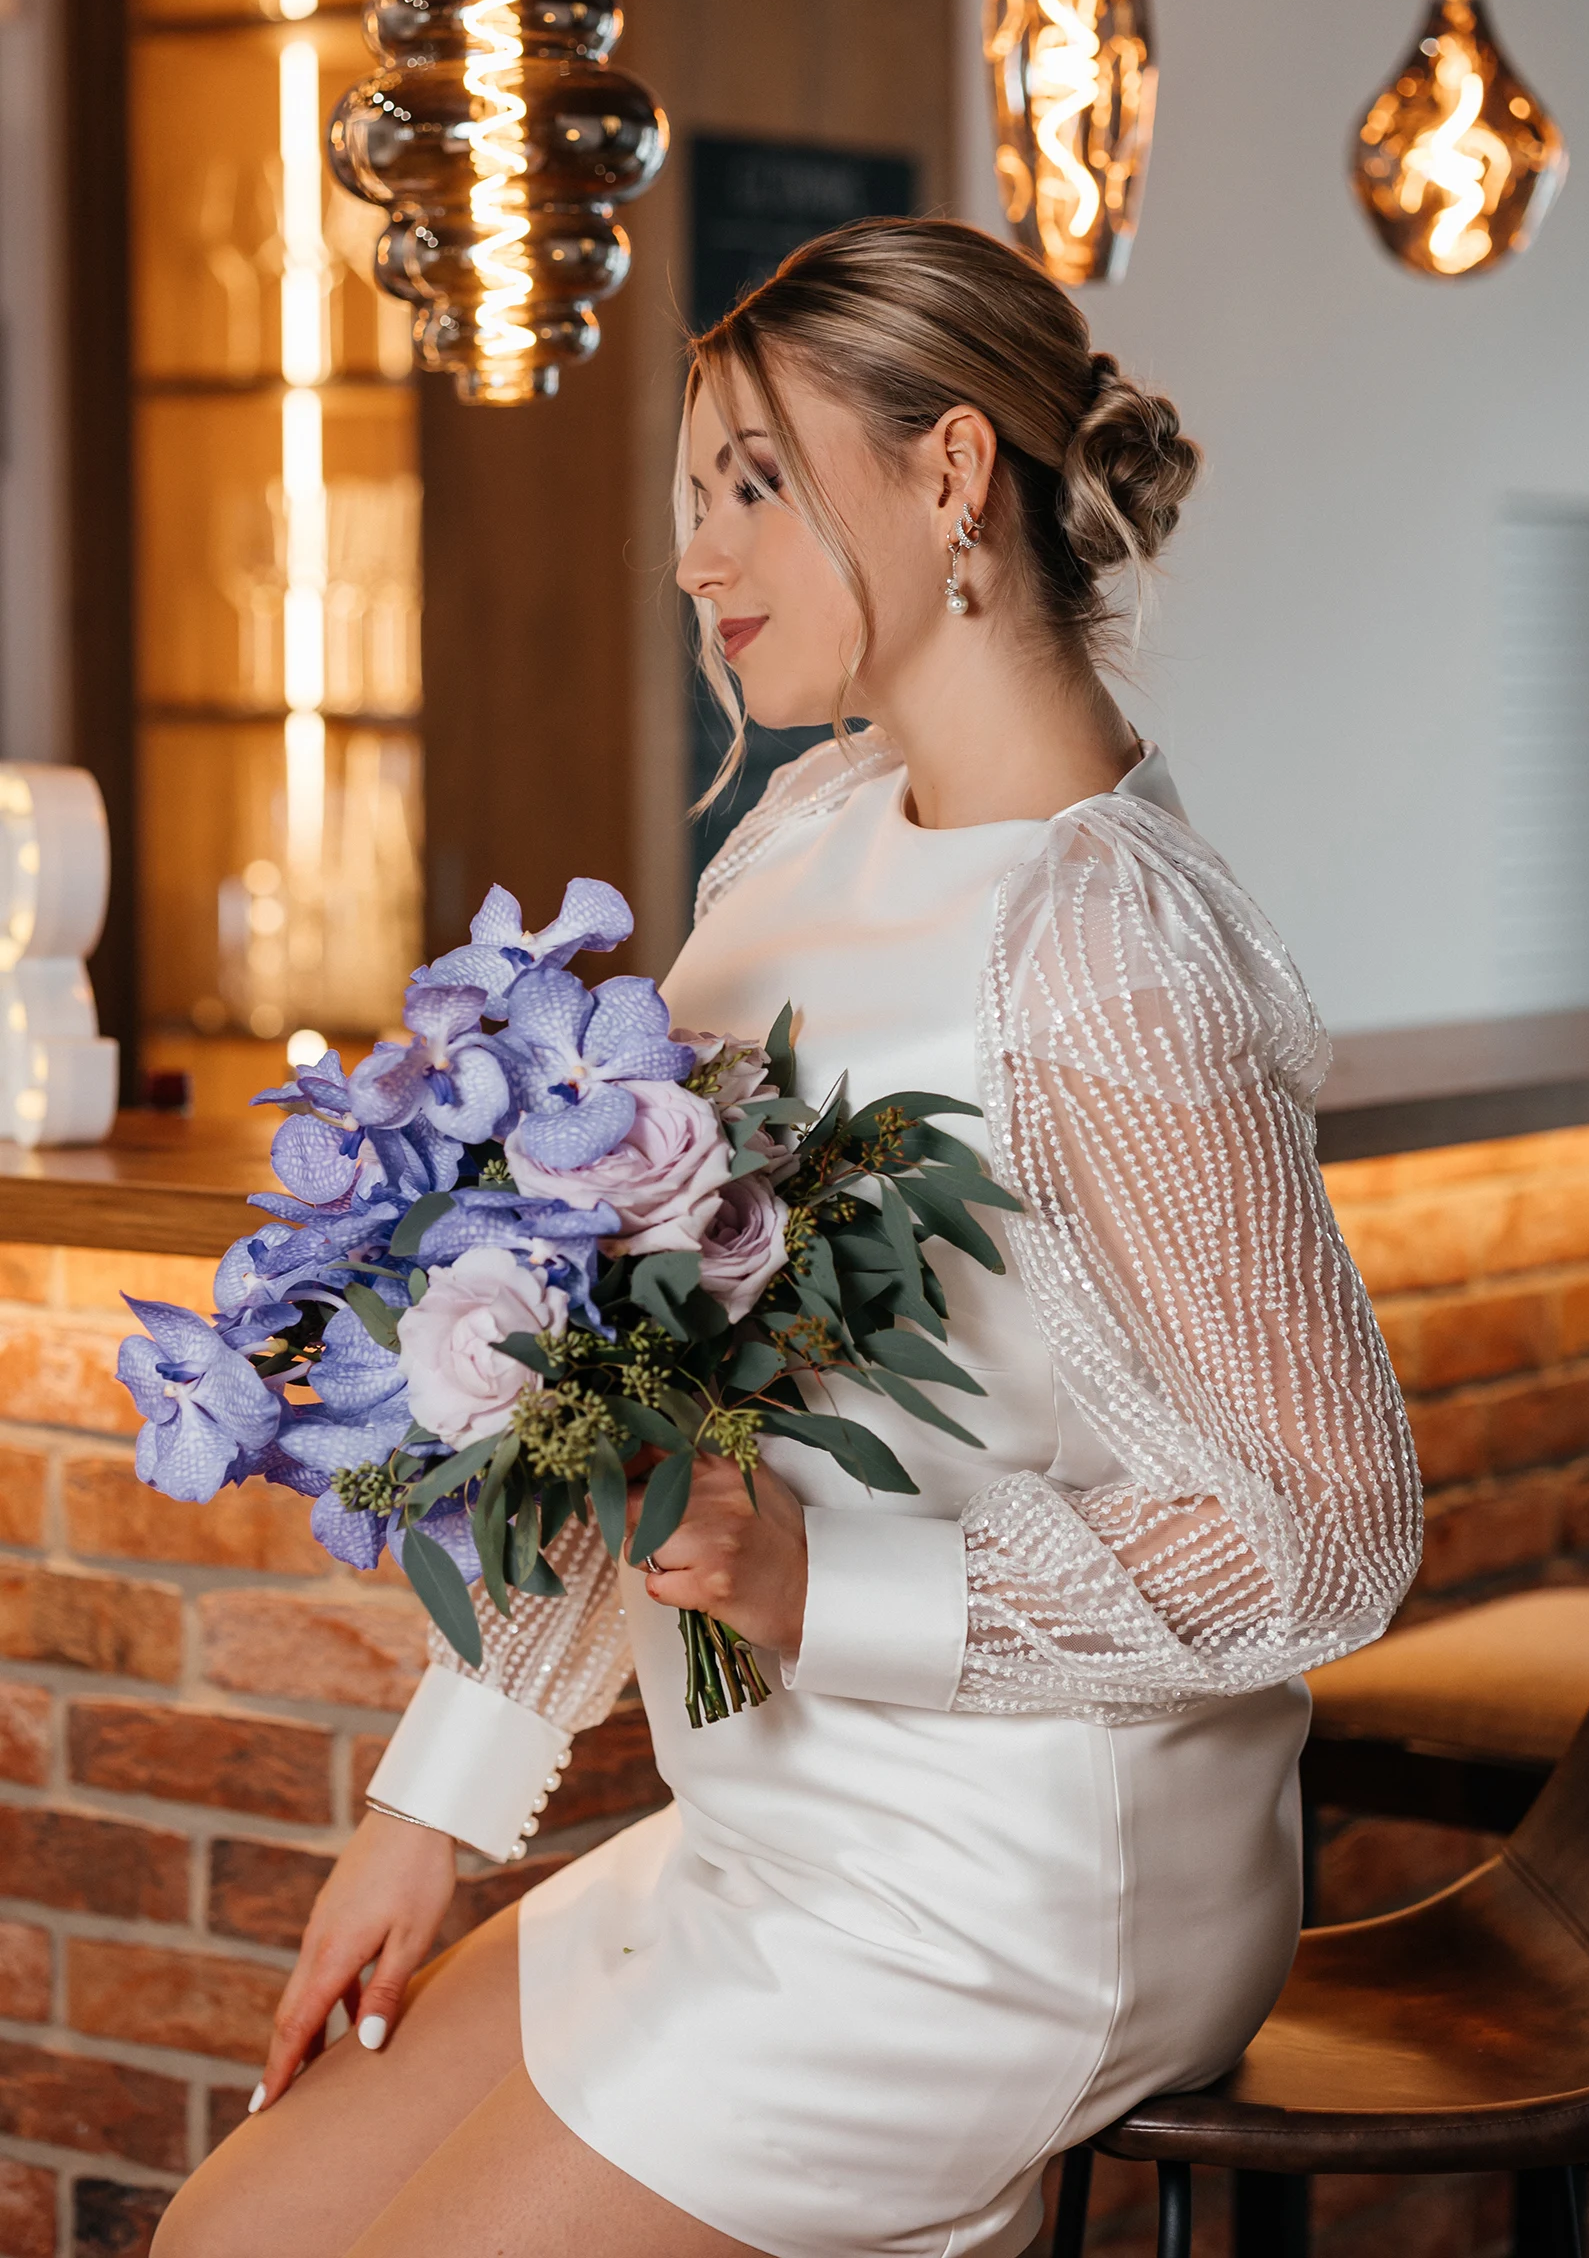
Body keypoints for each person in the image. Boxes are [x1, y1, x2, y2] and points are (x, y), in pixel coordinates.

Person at [153, 218, 1420, 2258]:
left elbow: (1327, 1530)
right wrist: (430, 1807)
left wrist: (829, 1585)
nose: (692, 557)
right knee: (225, 2242)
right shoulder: (802, 832)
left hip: (1010, 1884)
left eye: (749, 484)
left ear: (949, 476)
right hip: (762, 1822)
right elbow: (629, 1370)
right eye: (692, 496)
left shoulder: (1105, 946)